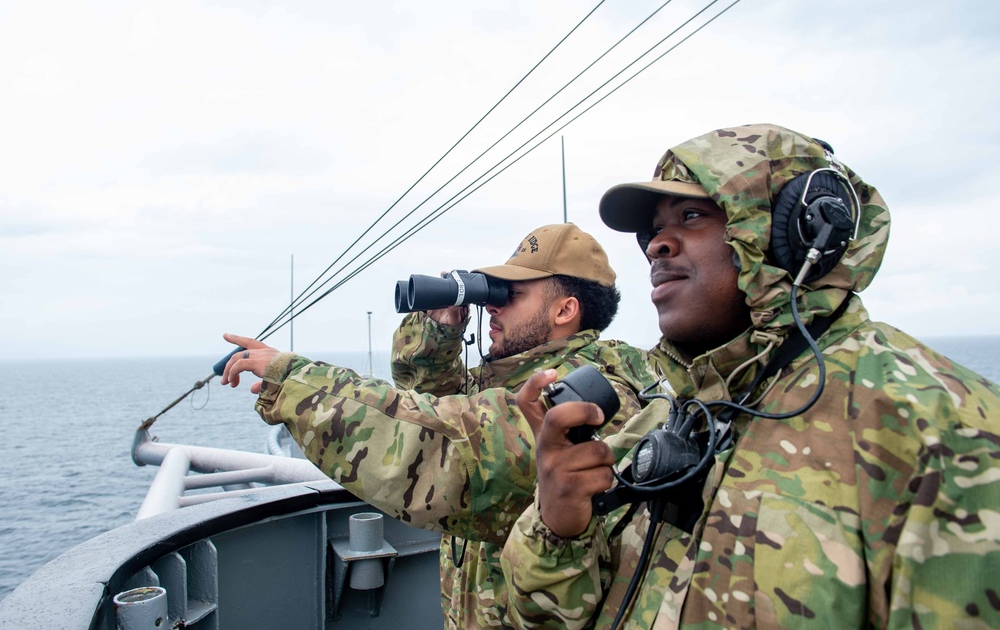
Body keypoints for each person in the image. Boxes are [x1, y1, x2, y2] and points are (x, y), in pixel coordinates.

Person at [501, 123, 1000, 629]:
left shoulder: (937, 428)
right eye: (652, 232)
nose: (656, 247)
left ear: (795, 234)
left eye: (691, 216)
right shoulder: (674, 421)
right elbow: (543, 619)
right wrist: (558, 528)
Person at [221, 222, 661, 629]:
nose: (491, 305)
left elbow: (445, 450)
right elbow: (431, 397)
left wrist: (295, 378)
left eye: (513, 294)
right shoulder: (516, 380)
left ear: (565, 310)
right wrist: (439, 332)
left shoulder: (587, 394)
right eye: (494, 291)